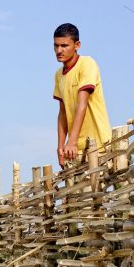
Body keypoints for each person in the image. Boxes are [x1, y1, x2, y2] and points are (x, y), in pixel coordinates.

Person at [52, 23, 111, 168]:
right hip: (74, 150)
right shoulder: (59, 74)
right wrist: (60, 146)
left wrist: (70, 141)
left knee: (99, 188)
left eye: (64, 45)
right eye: (56, 45)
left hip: (97, 145)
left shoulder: (87, 64)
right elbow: (63, 113)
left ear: (77, 45)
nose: (59, 50)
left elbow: (82, 103)